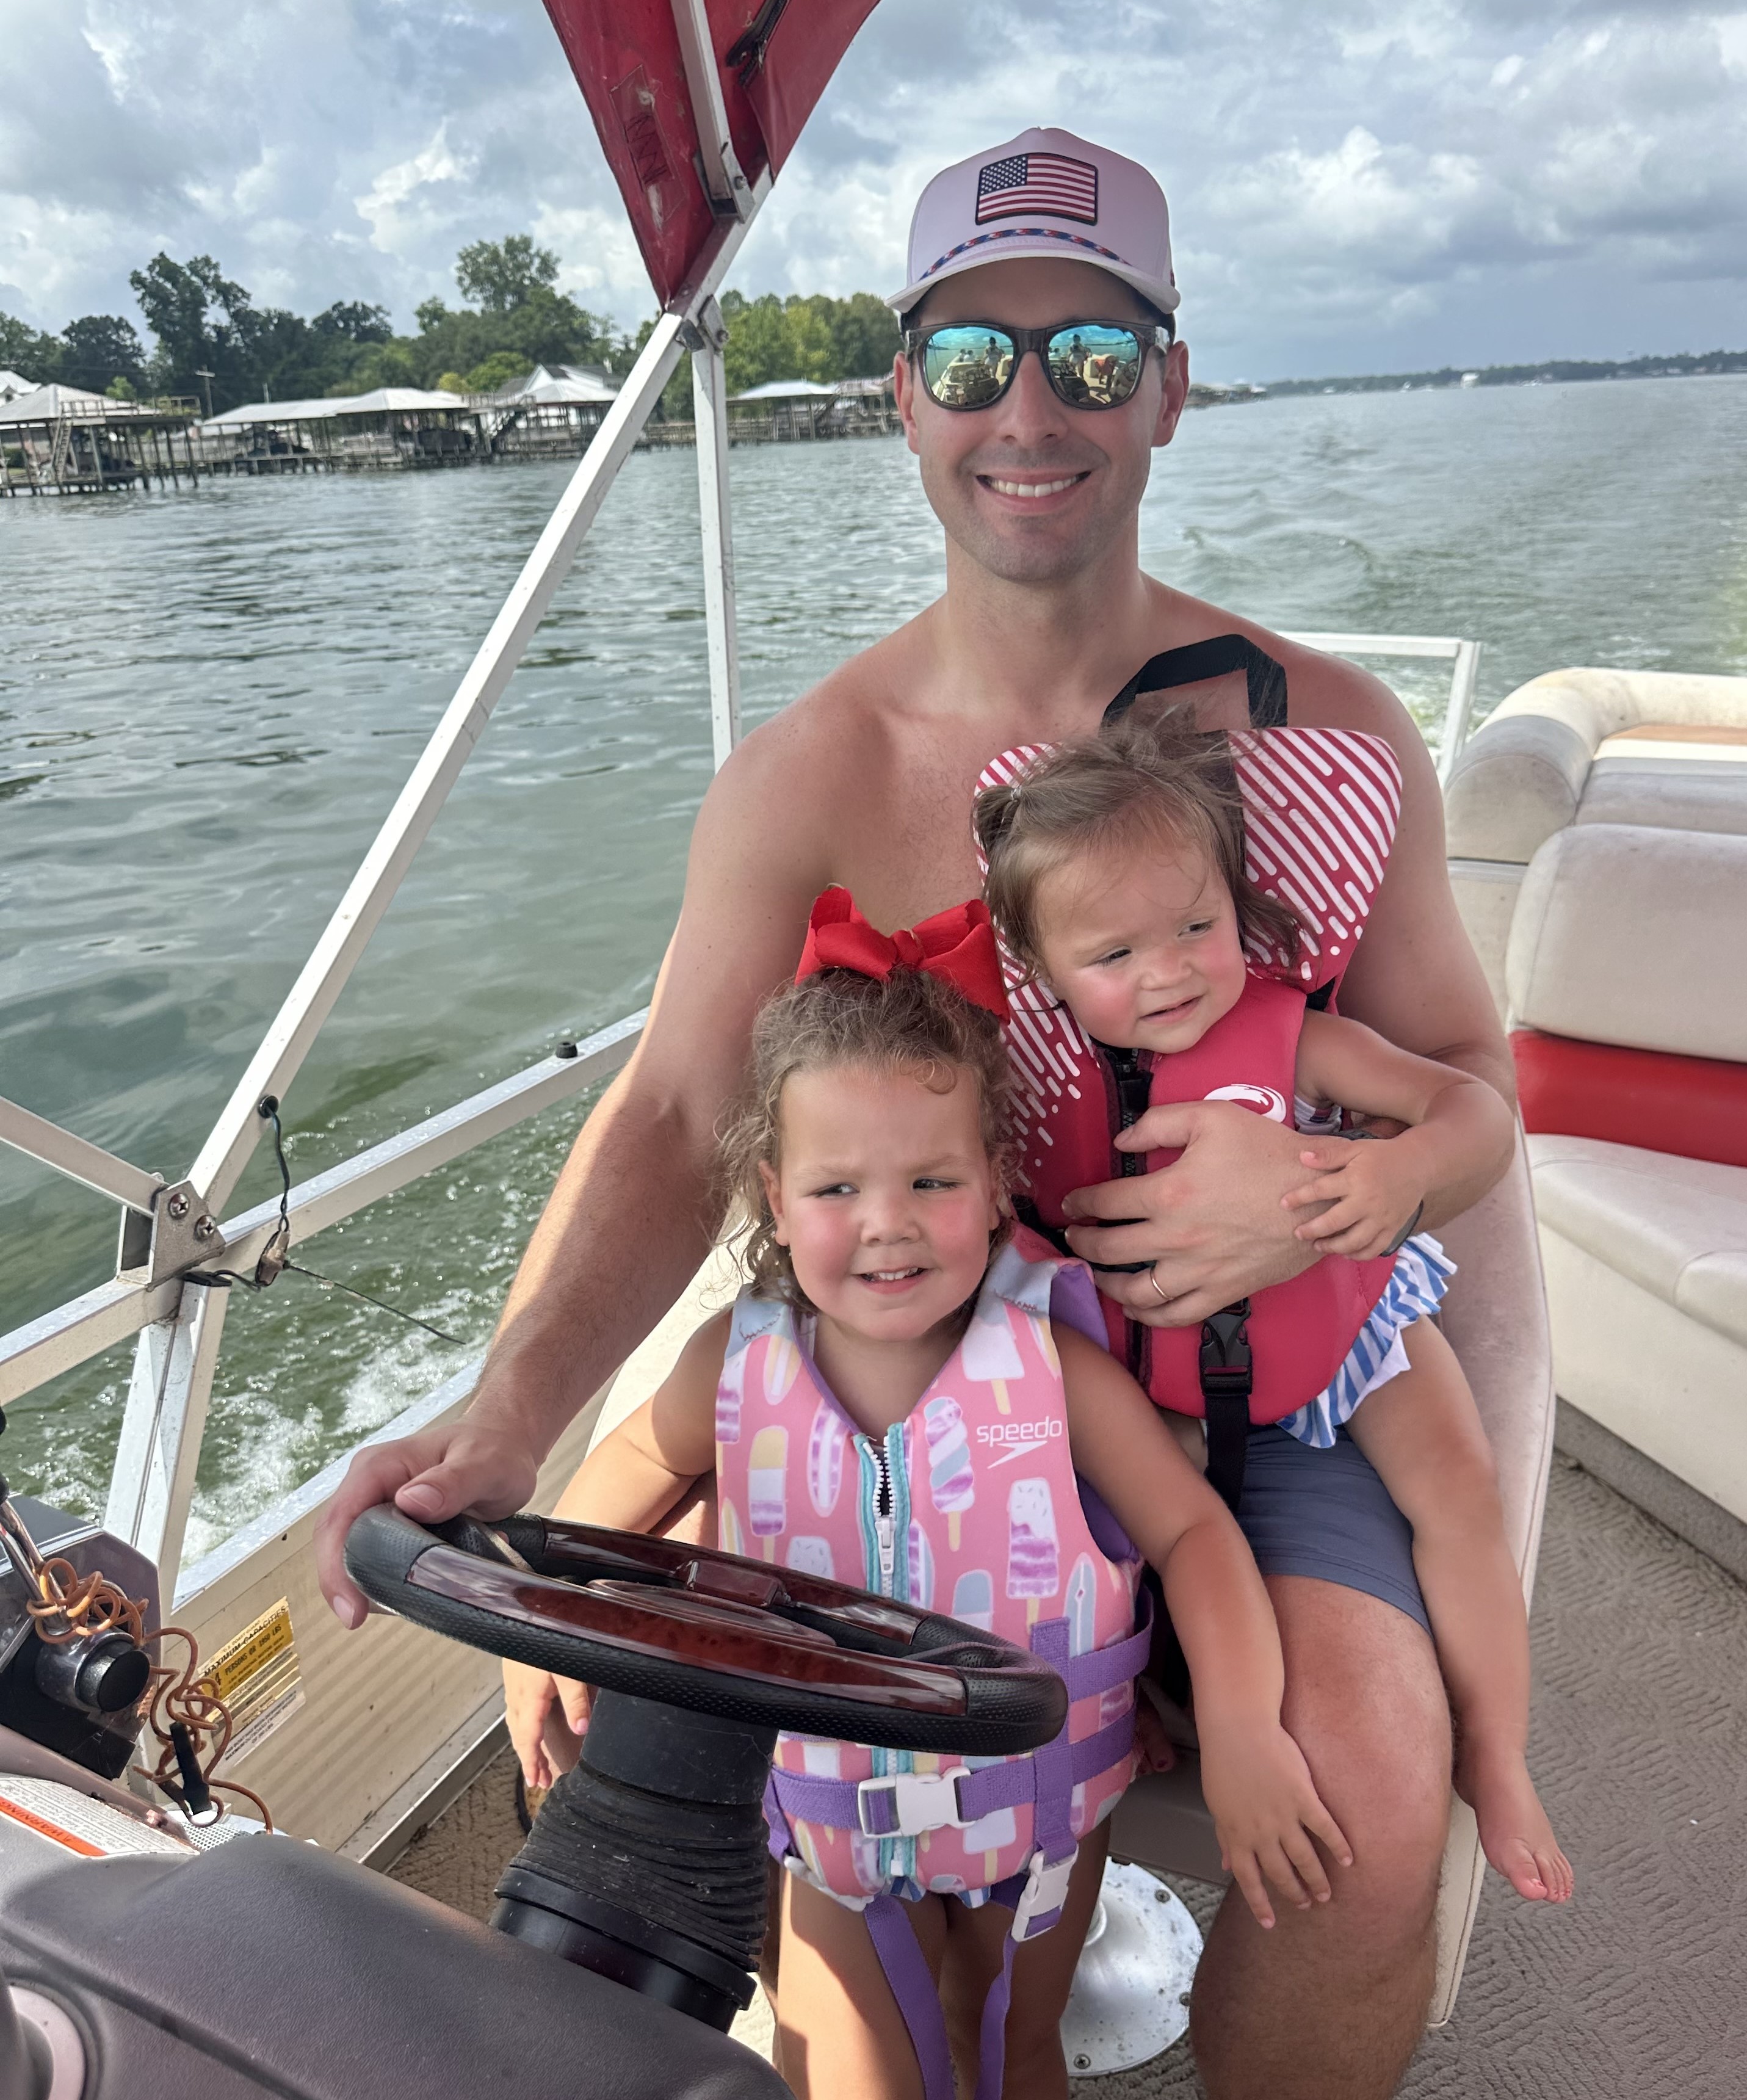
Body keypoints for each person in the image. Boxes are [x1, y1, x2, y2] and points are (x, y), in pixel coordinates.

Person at [319, 125, 1516, 2098]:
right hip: (931, 1412)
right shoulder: (809, 772)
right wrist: (507, 1432)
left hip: (1249, 1403)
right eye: (970, 359)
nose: (1025, 410)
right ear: (902, 396)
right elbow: (677, 1110)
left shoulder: (1326, 739)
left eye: (1089, 358)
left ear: (1170, 387)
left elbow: (1468, 1084)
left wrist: (1319, 1200)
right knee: (832, 1874)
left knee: (1383, 1800)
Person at [505, 906, 1351, 2098]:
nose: (887, 1221)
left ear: (999, 1182)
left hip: (1042, 1825)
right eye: (837, 1185)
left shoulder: (1056, 1372)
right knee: (845, 2075)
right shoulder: (733, 1369)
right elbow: (626, 1479)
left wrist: (1247, 1730)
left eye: (931, 1179)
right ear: (775, 1193)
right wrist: (554, 1624)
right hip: (829, 1826)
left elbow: (1193, 1531)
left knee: (1005, 2049)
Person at [974, 708, 1571, 1905]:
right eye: (1116, 955)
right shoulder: (1026, 1088)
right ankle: (1139, 1710)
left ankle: (1496, 1749)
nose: (1173, 970)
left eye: (1199, 925)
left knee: (1458, 1487)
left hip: (1351, 1332)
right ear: (1039, 974)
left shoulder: (1296, 1036)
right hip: (1160, 1387)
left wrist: (1397, 1174)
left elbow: (1466, 1109)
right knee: (1098, 1534)